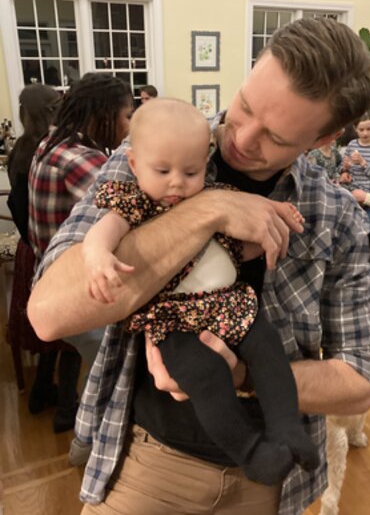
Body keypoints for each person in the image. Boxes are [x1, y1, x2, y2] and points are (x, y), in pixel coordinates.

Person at [29, 18, 370, 515]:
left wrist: (242, 376)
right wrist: (208, 208)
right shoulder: (157, 153)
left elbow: (362, 380)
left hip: (272, 481)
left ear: (323, 140)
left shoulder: (335, 215)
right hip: (146, 462)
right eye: (245, 106)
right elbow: (48, 315)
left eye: (276, 136)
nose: (243, 138)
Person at [82, 98, 319, 484]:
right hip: (175, 321)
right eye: (163, 170)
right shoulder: (133, 204)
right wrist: (98, 258)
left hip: (228, 303)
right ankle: (250, 451)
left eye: (191, 171)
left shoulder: (214, 196)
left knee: (269, 348)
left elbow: (235, 245)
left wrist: (276, 221)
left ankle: (287, 428)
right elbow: (99, 235)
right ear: (135, 165)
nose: (177, 182)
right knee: (205, 377)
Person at [28, 73, 133, 438]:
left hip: (49, 279)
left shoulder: (51, 143)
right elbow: (130, 211)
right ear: (102, 116)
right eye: (127, 117)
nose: (129, 127)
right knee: (117, 374)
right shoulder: (82, 159)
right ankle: (89, 441)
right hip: (73, 291)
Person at [7, 84, 63, 414]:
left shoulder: (21, 147)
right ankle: (57, 398)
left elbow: (16, 204)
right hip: (43, 245)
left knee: (47, 329)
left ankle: (42, 389)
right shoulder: (48, 150)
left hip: (28, 245)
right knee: (60, 329)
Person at [339, 113, 370, 194]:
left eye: (369, 129)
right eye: (361, 130)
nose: (365, 133)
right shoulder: (352, 144)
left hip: (367, 191)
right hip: (348, 187)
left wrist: (362, 162)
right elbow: (341, 168)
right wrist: (345, 169)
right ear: (355, 129)